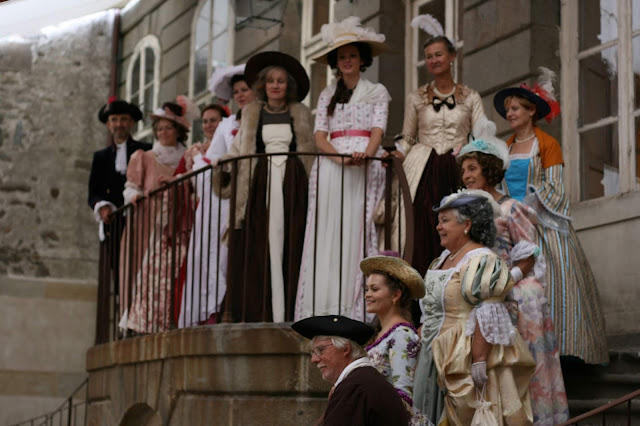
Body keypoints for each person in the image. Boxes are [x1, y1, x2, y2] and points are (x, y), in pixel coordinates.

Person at [457, 118, 569, 424]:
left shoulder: (510, 208)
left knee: (525, 343)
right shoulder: (463, 209)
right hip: (479, 289)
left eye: (472, 169)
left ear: (489, 170)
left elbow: (529, 254)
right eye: (464, 170)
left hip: (513, 289)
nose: (466, 175)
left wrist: (510, 280)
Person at [493, 68, 608, 364]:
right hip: (510, 222)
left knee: (553, 283)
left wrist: (527, 208)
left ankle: (564, 350)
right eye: (508, 110)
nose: (510, 114)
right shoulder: (504, 148)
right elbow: (500, 185)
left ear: (531, 111)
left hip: (540, 220)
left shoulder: (547, 144)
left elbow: (555, 186)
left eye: (515, 108)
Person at [295, 16, 391, 321]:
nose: (347, 61)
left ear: (362, 59)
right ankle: (322, 303)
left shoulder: (377, 92)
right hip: (332, 167)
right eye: (342, 56)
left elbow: (378, 130)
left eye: (352, 55)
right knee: (327, 230)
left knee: (356, 228)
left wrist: (366, 155)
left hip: (364, 165)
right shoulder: (327, 95)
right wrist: (339, 159)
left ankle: (355, 307)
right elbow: (319, 136)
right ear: (336, 62)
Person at [413, 190, 536, 425]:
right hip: (433, 355)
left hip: (463, 356)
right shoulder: (442, 258)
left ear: (466, 224)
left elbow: (487, 310)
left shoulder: (481, 259)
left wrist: (478, 361)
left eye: (445, 221)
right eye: (438, 221)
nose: (438, 227)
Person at [213, 52, 314, 323]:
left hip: (292, 182)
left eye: (281, 81)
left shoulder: (300, 113)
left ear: (288, 85)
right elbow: (239, 148)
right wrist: (222, 166)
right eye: (271, 81)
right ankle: (263, 310)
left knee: (291, 240)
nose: (276, 86)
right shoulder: (251, 112)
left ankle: (292, 307)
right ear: (263, 85)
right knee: (259, 240)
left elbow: (309, 151)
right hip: (260, 182)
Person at [388, 15, 484, 277]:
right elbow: (408, 138)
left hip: (458, 168)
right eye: (429, 56)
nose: (434, 60)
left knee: (462, 224)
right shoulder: (416, 97)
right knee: (420, 226)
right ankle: (419, 294)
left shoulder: (471, 96)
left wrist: (469, 149)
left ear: (452, 56)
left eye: (439, 54)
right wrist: (398, 154)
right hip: (424, 168)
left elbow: (481, 134)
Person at [178, 65, 255, 327]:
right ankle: (216, 309)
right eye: (236, 92)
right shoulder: (226, 124)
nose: (241, 95)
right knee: (218, 254)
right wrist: (203, 160)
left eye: (245, 89)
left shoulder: (260, 117)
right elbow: (214, 161)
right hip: (225, 197)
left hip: (254, 189)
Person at [119, 101, 189, 333]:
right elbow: (130, 188)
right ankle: (135, 324)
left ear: (178, 131)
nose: (163, 132)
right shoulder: (144, 157)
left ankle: (168, 321)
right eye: (159, 128)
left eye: (168, 128)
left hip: (176, 227)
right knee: (138, 273)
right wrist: (135, 196)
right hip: (146, 222)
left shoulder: (187, 159)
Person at [291, 315, 410, 425]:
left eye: (320, 350)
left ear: (345, 349)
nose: (314, 359)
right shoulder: (363, 381)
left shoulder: (355, 387)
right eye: (313, 352)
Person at [360, 255, 430, 425]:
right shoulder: (382, 333)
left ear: (396, 295)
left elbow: (403, 396)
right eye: (367, 289)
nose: (367, 295)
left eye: (374, 289)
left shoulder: (401, 335)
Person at [88, 97, 149, 239]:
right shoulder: (100, 157)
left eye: (124, 119)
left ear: (131, 122)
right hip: (113, 223)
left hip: (140, 219)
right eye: (114, 120)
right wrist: (102, 207)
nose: (119, 124)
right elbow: (93, 193)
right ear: (108, 124)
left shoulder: (146, 150)